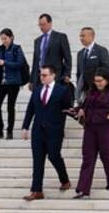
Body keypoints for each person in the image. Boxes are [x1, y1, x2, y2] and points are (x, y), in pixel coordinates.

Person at [21, 65, 74, 201]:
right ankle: (36, 190)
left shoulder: (62, 91)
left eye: (44, 75)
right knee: (37, 160)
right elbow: (30, 109)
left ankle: (65, 180)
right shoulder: (37, 90)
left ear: (53, 75)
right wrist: (25, 127)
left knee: (54, 156)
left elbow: (69, 109)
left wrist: (82, 117)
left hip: (54, 131)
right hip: (38, 131)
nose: (42, 77)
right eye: (40, 75)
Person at [74, 70, 109, 198]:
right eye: (96, 81)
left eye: (100, 81)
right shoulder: (91, 92)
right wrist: (80, 110)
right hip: (90, 127)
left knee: (107, 155)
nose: (98, 83)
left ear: (107, 80)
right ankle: (83, 188)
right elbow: (84, 106)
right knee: (87, 157)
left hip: (107, 127)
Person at [0, 28, 30, 140]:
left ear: (11, 37)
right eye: (2, 39)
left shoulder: (17, 48)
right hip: (2, 82)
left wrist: (4, 62)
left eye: (5, 38)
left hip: (13, 83)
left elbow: (19, 64)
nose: (3, 41)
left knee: (10, 107)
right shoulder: (1, 49)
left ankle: (9, 131)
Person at [30, 13, 72, 89]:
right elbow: (35, 61)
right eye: (39, 25)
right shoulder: (37, 41)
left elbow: (67, 57)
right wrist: (31, 80)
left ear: (50, 23)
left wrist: (67, 74)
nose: (41, 27)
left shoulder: (60, 37)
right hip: (39, 78)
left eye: (43, 24)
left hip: (56, 76)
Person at [74, 26, 109, 106]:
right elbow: (79, 72)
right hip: (84, 90)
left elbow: (106, 68)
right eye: (80, 36)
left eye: (83, 36)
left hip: (97, 88)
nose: (81, 38)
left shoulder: (101, 50)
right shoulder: (80, 53)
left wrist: (96, 79)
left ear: (92, 36)